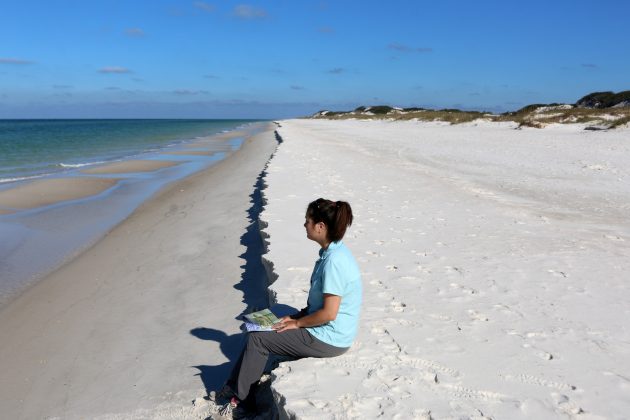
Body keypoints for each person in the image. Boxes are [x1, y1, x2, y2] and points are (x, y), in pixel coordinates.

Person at [217, 198, 362, 417]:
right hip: (324, 326)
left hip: (330, 338)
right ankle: (235, 385)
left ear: (320, 227)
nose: (305, 225)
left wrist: (297, 323)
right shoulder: (331, 253)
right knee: (258, 322)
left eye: (308, 221)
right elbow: (320, 305)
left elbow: (329, 313)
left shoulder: (334, 262)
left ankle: (243, 400)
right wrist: (297, 316)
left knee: (259, 339)